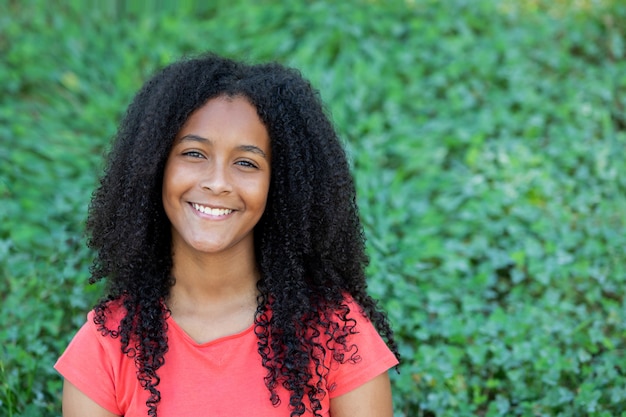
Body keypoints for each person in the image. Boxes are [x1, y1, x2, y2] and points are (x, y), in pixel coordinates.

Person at [55, 53, 399, 417]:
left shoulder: (334, 333)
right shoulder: (107, 344)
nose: (217, 182)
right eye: (194, 153)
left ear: (280, 185)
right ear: (154, 166)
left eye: (246, 163)